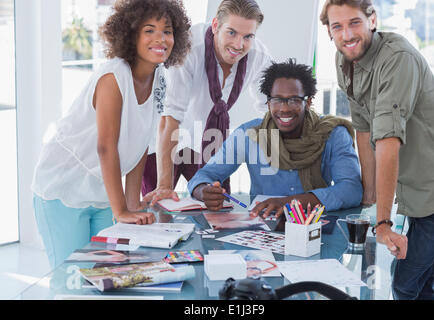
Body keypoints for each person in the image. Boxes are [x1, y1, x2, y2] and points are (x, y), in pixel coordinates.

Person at [31, 0, 191, 268]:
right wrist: (121, 211)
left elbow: (142, 142)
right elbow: (106, 147)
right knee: (71, 280)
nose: (160, 38)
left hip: (102, 193)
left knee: (105, 275)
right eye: (149, 30)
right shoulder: (113, 77)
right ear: (131, 34)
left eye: (167, 30)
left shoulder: (160, 77)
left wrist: (131, 203)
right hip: (63, 190)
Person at [320, 0, 434, 300]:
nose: (346, 34)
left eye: (354, 22)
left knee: (407, 283)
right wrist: (370, 197)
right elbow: (364, 131)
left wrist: (383, 222)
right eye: (337, 26)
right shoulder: (345, 63)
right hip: (417, 190)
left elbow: (388, 142)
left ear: (372, 20)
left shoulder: (397, 58)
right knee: (429, 279)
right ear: (329, 31)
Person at [188, 59, 363, 217]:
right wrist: (204, 191)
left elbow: (352, 189)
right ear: (268, 102)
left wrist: (291, 203)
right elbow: (204, 175)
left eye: (294, 100)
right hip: (263, 228)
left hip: (315, 228)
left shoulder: (332, 134)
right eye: (277, 100)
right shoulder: (249, 134)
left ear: (308, 102)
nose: (284, 109)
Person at [142, 0, 272, 205]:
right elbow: (171, 116)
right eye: (231, 32)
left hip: (207, 141)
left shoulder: (260, 57)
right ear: (215, 26)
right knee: (159, 209)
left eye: (248, 36)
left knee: (216, 207)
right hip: (162, 140)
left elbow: (271, 111)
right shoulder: (189, 47)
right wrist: (164, 186)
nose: (239, 45)